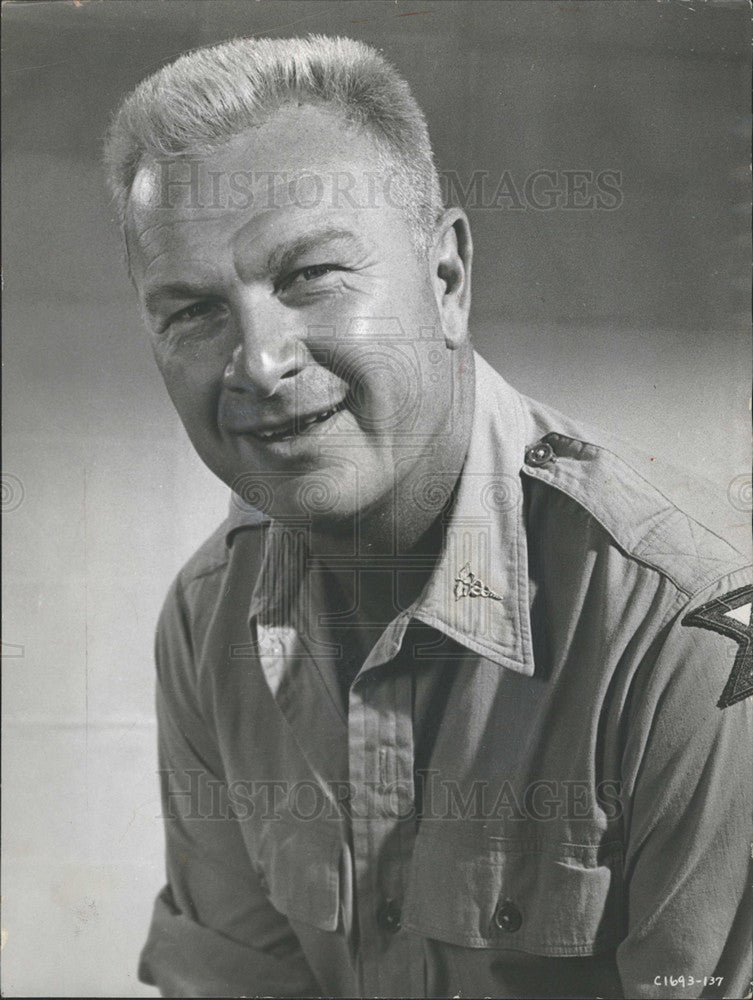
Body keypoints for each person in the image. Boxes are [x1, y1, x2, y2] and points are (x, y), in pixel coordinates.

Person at [104, 35, 752, 999]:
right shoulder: (208, 616)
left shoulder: (687, 631)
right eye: (192, 312)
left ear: (445, 278)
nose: (259, 362)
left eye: (308, 276)